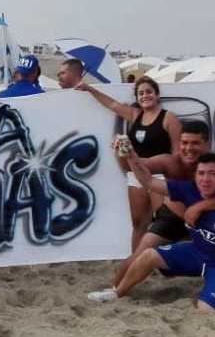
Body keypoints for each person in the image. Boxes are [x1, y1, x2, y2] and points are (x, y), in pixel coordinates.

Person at [88, 152, 215, 313]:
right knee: (148, 254)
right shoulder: (188, 190)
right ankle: (117, 293)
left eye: (212, 174)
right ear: (195, 176)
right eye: (201, 173)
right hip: (197, 252)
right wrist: (131, 157)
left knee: (205, 310)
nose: (205, 179)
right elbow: (149, 182)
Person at [94, 121, 215, 293]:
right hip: (173, 215)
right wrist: (127, 153)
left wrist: (200, 207)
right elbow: (142, 167)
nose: (188, 148)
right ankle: (114, 291)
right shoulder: (171, 161)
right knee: (141, 252)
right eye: (184, 143)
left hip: (207, 217)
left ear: (207, 144)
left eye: (195, 143)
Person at [77, 76, 182, 255]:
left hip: (158, 176)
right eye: (140, 93)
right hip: (136, 174)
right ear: (137, 98)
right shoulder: (135, 115)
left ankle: (166, 261)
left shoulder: (168, 118)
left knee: (164, 223)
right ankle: (136, 259)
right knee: (139, 222)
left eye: (149, 92)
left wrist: (175, 178)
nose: (145, 96)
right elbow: (112, 105)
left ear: (157, 95)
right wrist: (90, 89)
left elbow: (177, 151)